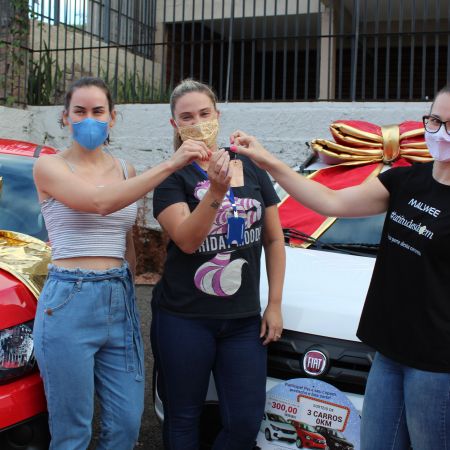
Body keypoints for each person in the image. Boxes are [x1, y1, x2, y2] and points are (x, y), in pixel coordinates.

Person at [229, 85, 450, 450]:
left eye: (449, 125)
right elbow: (330, 201)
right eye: (435, 121)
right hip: (388, 351)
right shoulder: (406, 180)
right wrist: (268, 161)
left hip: (436, 364)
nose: (439, 133)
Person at [32, 76, 211, 450]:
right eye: (80, 111)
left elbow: (126, 240)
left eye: (98, 111)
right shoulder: (49, 167)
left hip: (119, 296)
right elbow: (99, 203)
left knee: (126, 425)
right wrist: (172, 163)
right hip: (68, 300)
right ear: (65, 117)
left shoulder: (127, 170)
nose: (89, 119)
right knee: (72, 432)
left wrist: (127, 284)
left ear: (112, 117)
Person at [150, 79, 286, 450]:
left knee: (244, 422)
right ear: (175, 124)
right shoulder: (170, 177)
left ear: (218, 115)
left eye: (204, 113)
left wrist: (274, 303)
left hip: (243, 321)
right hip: (184, 318)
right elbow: (187, 240)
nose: (198, 123)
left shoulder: (251, 166)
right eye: (187, 117)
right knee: (183, 418)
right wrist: (215, 191)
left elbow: (274, 239)